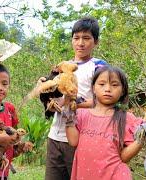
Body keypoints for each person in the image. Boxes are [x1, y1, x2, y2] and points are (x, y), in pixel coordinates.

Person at [65, 66, 146, 179]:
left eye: (114, 85)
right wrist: (67, 113)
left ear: (123, 90)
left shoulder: (126, 119)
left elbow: (124, 157)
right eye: (102, 84)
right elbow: (73, 141)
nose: (108, 89)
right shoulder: (81, 115)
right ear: (93, 88)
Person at [44, 16, 107, 180]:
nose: (80, 43)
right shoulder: (62, 67)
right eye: (76, 38)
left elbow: (103, 101)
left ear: (96, 41)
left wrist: (74, 103)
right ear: (71, 40)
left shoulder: (99, 66)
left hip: (82, 137)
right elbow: (52, 98)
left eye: (86, 38)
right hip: (55, 136)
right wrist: (47, 97)